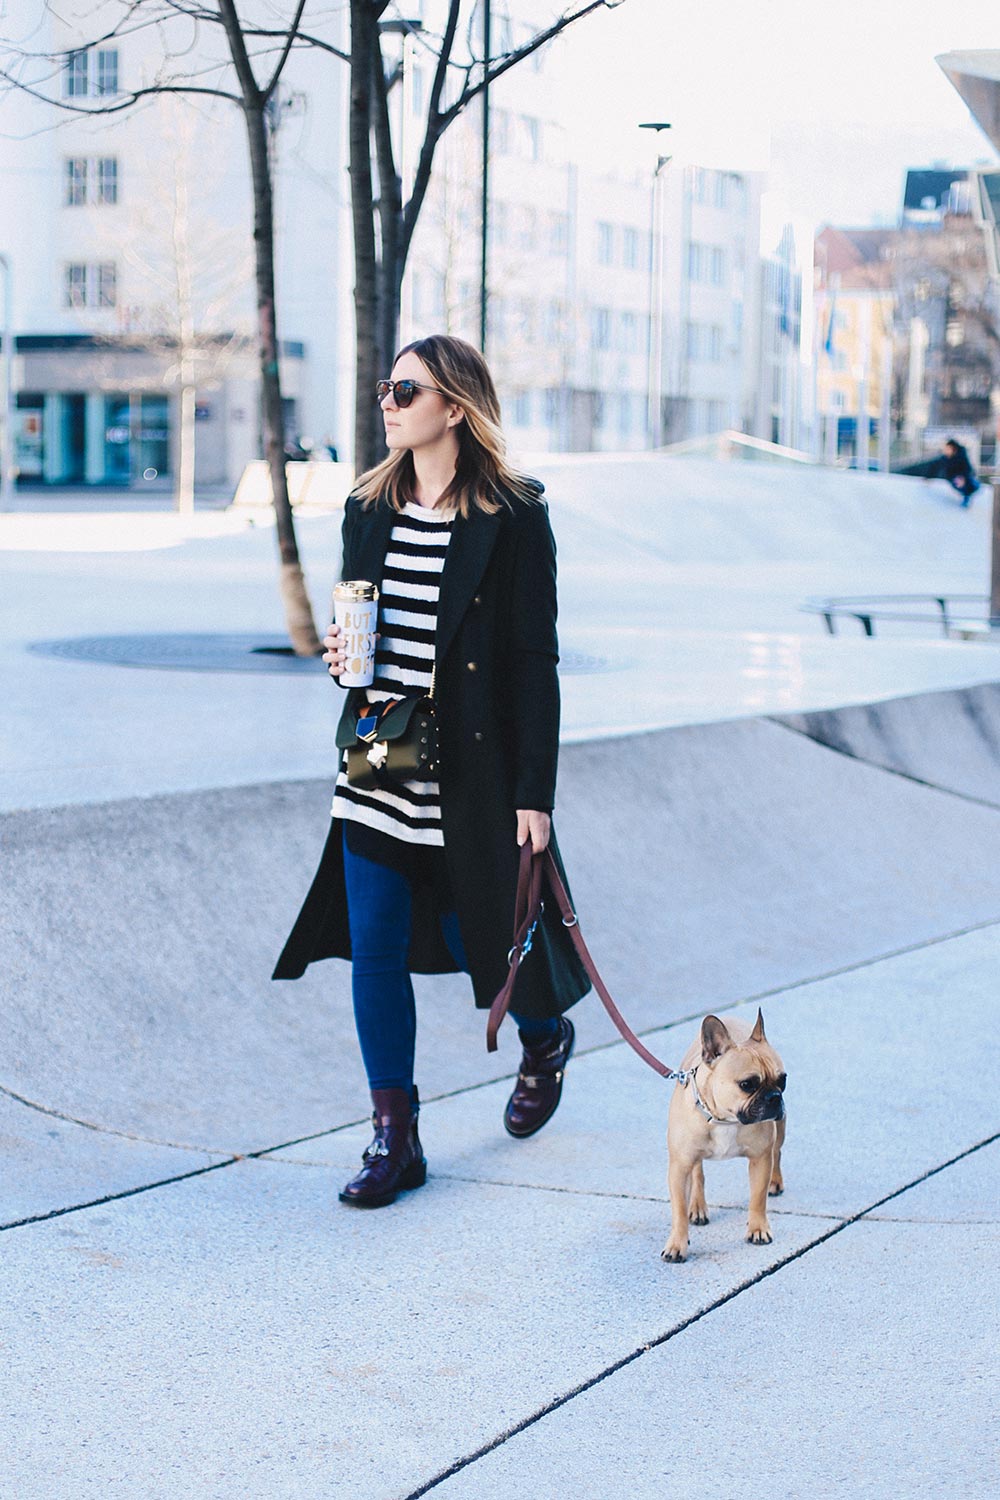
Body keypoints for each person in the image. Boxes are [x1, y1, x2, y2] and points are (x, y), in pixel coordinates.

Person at [273, 334, 590, 1208]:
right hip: (383, 754)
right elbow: (359, 635)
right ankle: (395, 1138)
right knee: (373, 945)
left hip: (478, 772)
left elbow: (534, 660)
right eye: (386, 387)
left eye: (407, 389)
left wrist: (536, 793)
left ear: (455, 406)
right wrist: (343, 660)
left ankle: (541, 1034)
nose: (389, 401)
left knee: (478, 935)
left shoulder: (514, 515)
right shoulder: (367, 506)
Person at [941, 438, 980, 506]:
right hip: (954, 477)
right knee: (959, 483)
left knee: (970, 484)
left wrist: (963, 477)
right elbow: (935, 466)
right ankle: (966, 492)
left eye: (948, 449)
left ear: (953, 449)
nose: (946, 451)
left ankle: (967, 493)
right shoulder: (946, 458)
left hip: (965, 476)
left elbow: (967, 468)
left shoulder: (961, 455)